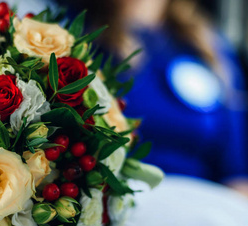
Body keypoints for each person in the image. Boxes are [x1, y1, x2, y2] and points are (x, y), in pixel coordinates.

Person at [63, 0, 248, 194]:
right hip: (117, 203)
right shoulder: (75, 35)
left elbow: (236, 173)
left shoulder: (209, 46)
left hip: (203, 211)